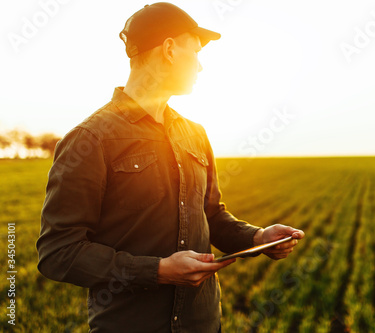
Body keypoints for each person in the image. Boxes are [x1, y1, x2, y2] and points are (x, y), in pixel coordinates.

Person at [36, 2, 305, 332]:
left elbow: (211, 215)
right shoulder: (89, 140)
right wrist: (158, 270)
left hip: (204, 324)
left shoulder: (195, 133)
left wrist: (258, 236)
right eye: (196, 51)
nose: (201, 67)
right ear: (169, 49)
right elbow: (59, 251)